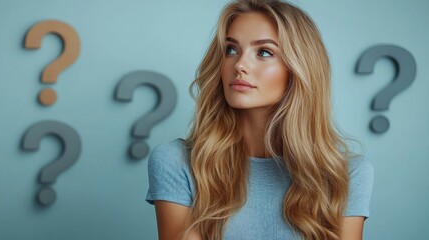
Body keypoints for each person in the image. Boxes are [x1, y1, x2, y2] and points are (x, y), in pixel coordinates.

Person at [146, 0, 374, 239]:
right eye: (231, 49)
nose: (240, 65)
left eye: (264, 52)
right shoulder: (178, 162)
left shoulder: (346, 174)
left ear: (298, 69)